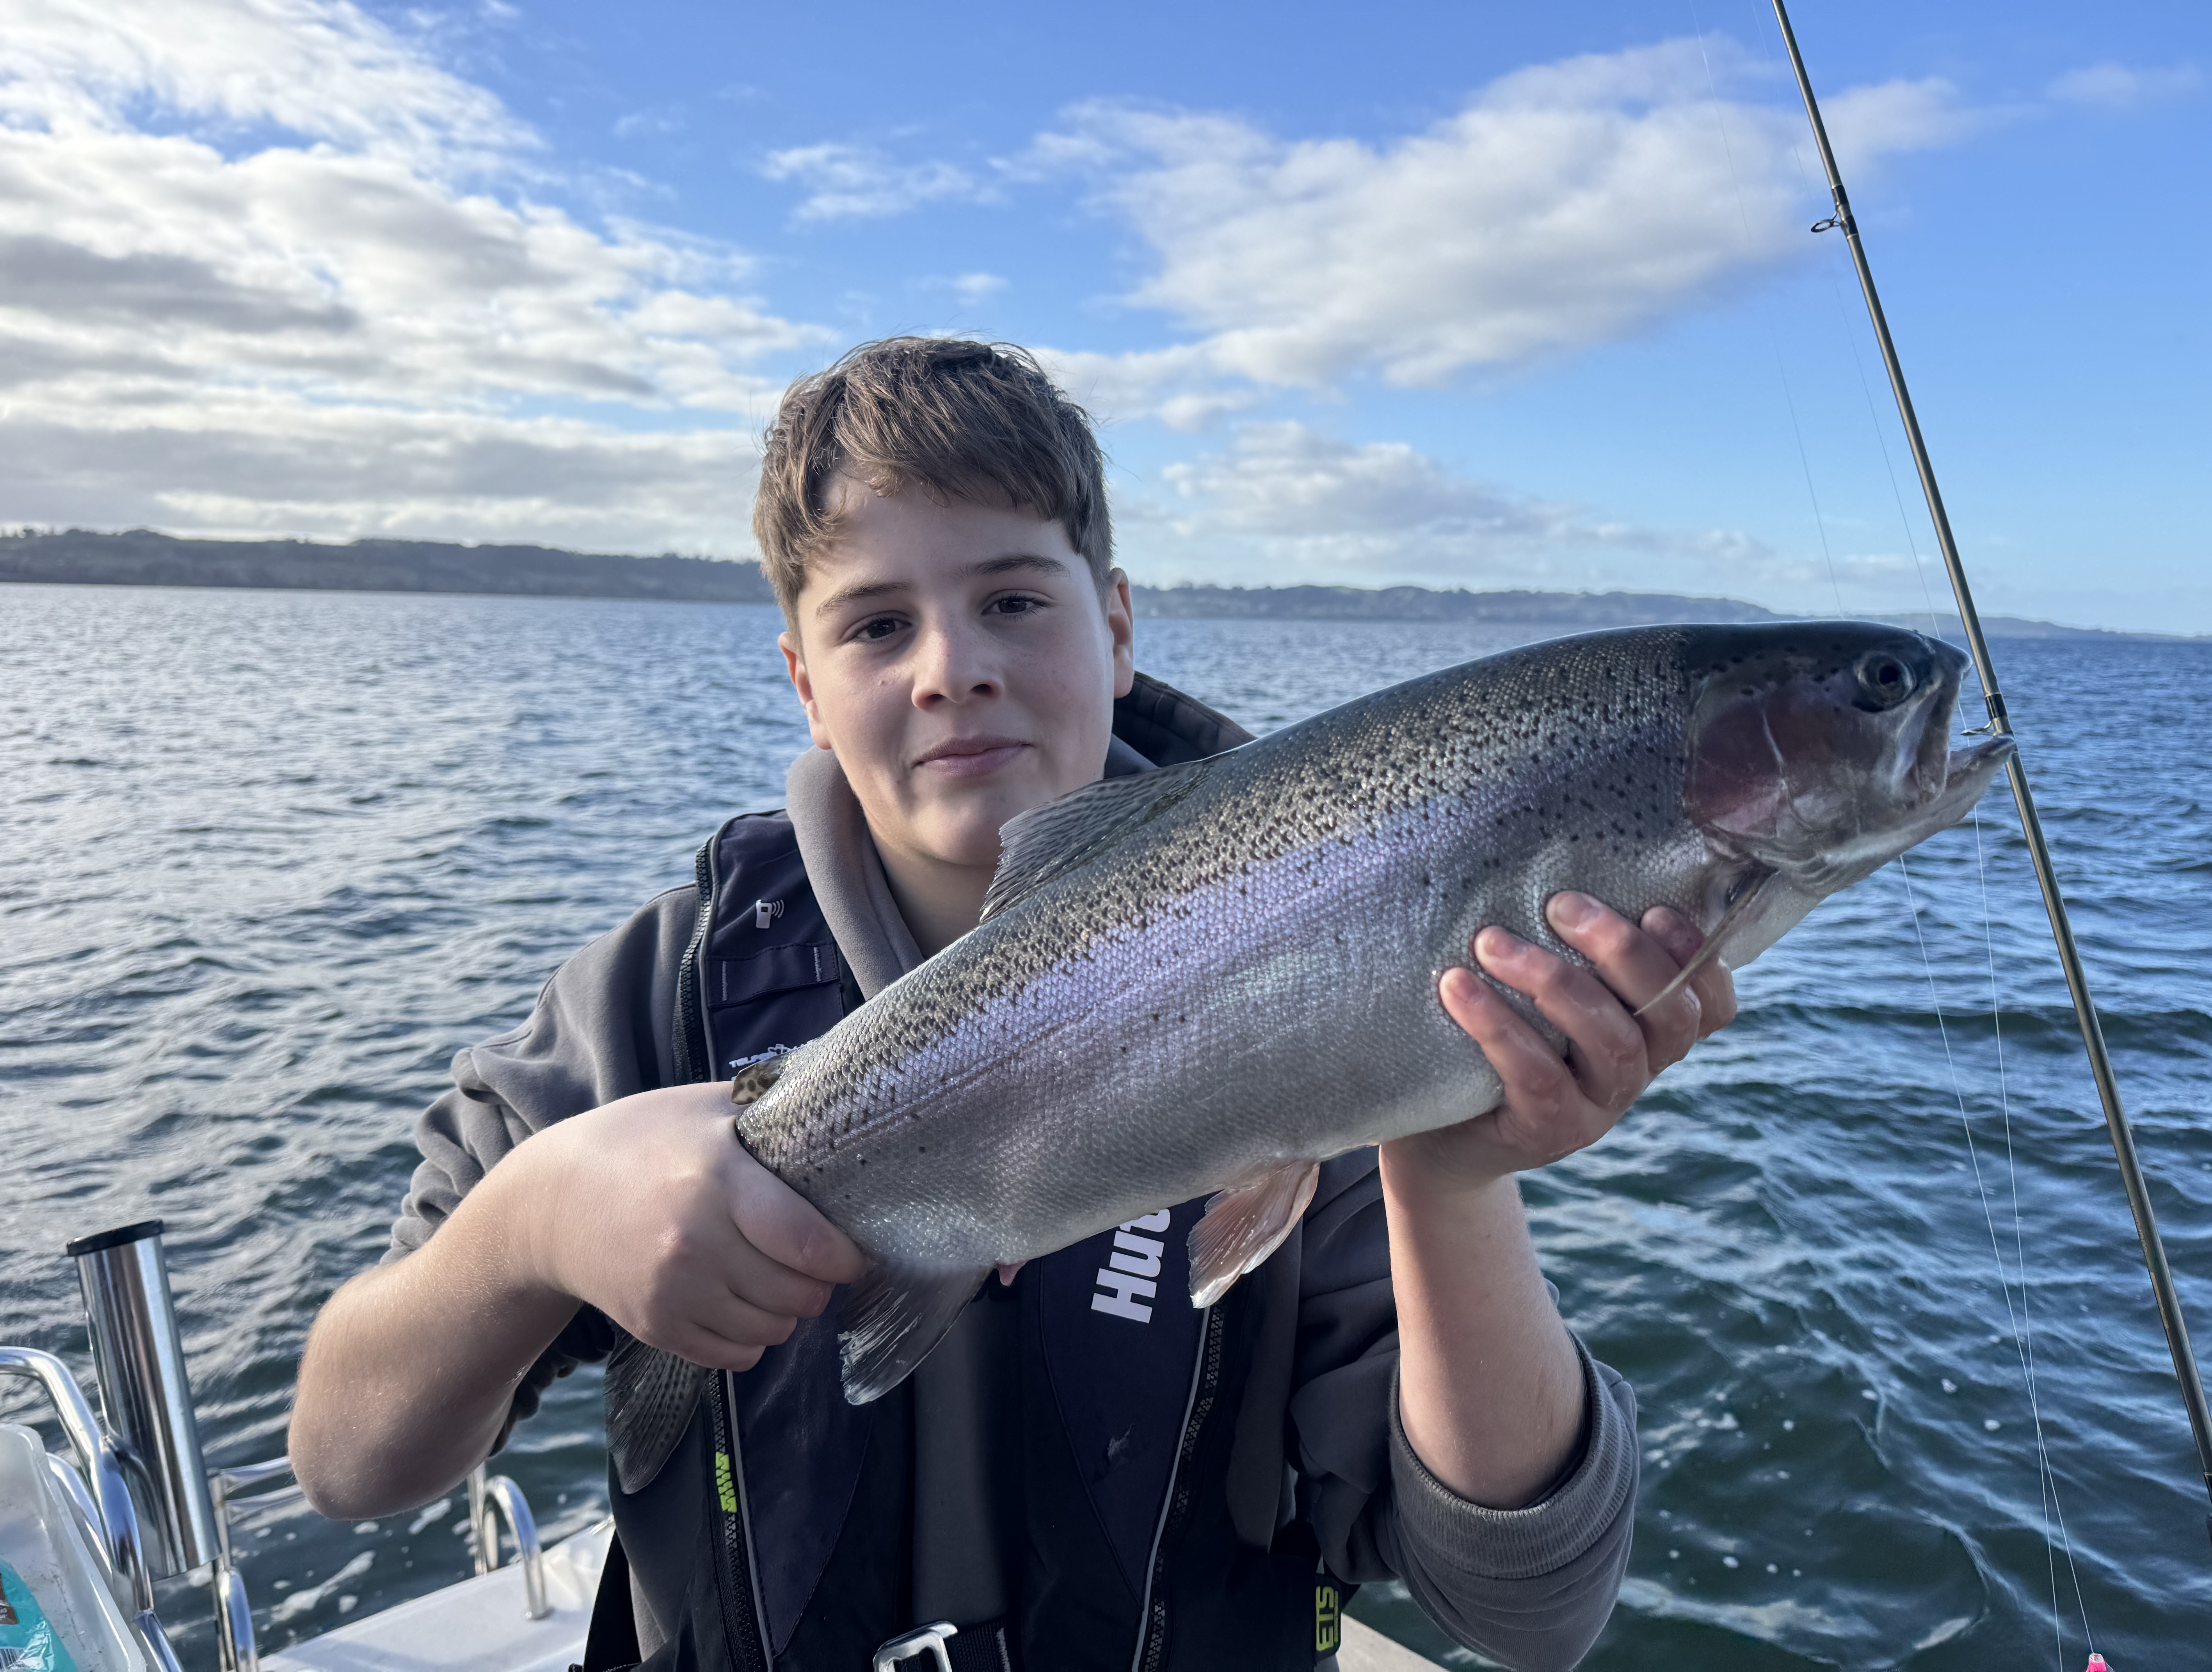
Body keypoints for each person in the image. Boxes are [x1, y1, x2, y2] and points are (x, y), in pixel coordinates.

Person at [289, 338, 1737, 1672]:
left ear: (1115, 627)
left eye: (1013, 599)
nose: (953, 667)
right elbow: (349, 1459)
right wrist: (537, 1218)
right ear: (803, 682)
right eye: (874, 626)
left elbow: (1531, 1612)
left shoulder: (1358, 984)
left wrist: (1451, 1155)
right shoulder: (645, 1007)